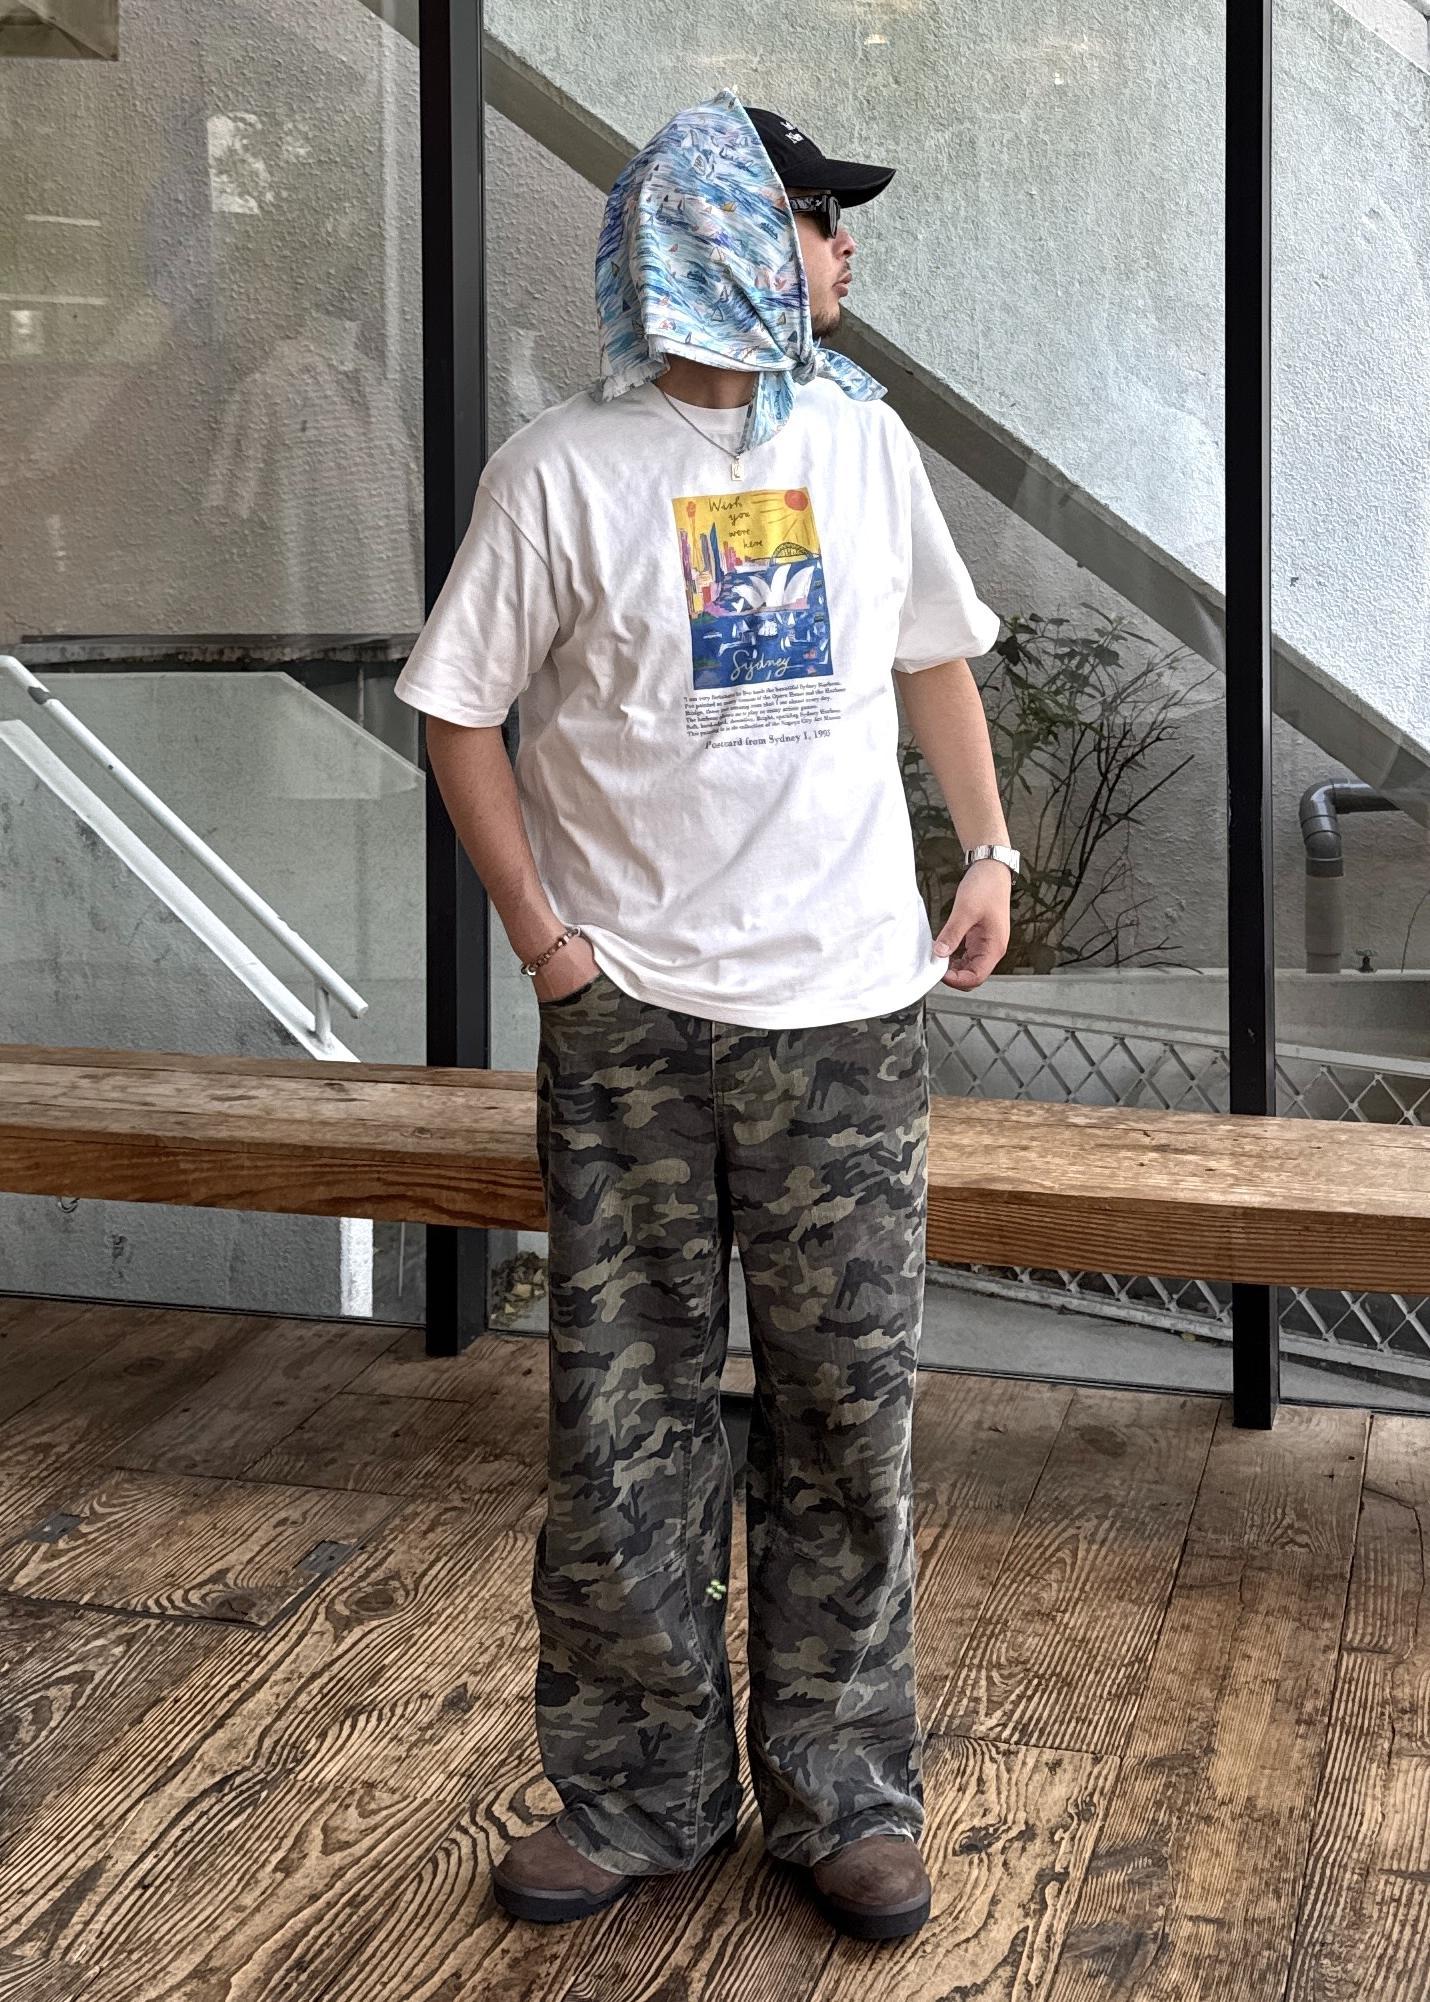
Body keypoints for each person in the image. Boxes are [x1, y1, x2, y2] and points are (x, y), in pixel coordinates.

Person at [394, 88, 1017, 1944]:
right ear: (726, 239)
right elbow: (458, 705)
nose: (844, 248)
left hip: (846, 1016)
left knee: (846, 1414)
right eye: (818, 219)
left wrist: (985, 848)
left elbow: (929, 652)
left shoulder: (863, 446)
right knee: (623, 1423)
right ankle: (635, 1795)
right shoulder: (559, 473)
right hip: (636, 1026)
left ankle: (845, 1799)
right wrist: (547, 946)